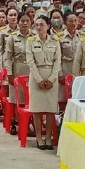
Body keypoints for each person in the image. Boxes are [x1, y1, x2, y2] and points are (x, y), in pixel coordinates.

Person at [26, 17, 61, 150]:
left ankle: (48, 137)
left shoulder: (55, 41)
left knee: (50, 109)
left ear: (48, 26)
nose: (39, 27)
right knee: (37, 109)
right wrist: (38, 79)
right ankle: (39, 137)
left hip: (51, 76)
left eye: (42, 24)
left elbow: (58, 61)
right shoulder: (30, 41)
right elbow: (30, 62)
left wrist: (52, 79)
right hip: (36, 76)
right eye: (36, 25)